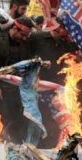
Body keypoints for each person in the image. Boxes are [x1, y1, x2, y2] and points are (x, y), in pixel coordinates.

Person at [0, 16, 34, 144]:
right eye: (22, 34)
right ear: (14, 28)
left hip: (17, 91)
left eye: (26, 35)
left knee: (16, 123)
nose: (24, 38)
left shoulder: (25, 44)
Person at [26, 19, 77, 148]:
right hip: (38, 86)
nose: (65, 36)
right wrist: (38, 62)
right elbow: (25, 57)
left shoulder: (64, 42)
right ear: (57, 28)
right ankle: (36, 147)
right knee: (38, 119)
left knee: (55, 120)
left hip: (56, 89)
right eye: (64, 33)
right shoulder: (37, 37)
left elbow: (71, 57)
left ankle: (52, 147)